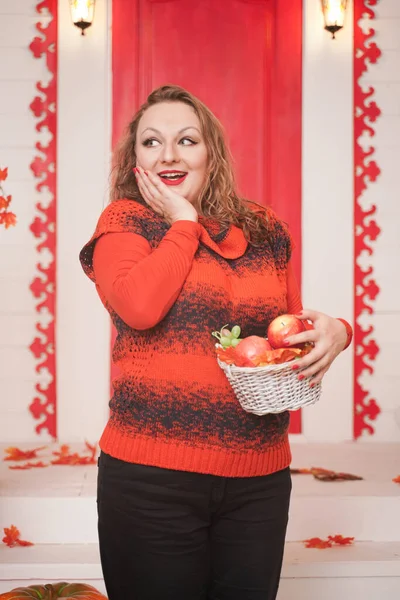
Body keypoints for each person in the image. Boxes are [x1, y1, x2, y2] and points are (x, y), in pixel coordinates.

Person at [79, 85, 352, 600]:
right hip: (151, 481)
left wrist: (338, 330)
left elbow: (284, 331)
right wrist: (183, 222)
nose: (169, 155)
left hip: (258, 479)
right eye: (152, 142)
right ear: (134, 157)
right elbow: (139, 308)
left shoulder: (266, 228)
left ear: (212, 152)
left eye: (187, 140)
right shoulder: (126, 223)